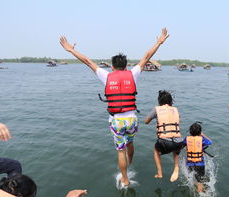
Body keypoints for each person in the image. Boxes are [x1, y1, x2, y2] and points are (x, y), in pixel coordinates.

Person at [60, 28, 169, 187]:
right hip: (131, 119)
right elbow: (146, 57)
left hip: (117, 120)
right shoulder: (132, 74)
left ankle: (125, 178)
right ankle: (129, 165)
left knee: (120, 150)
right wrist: (159, 42)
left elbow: (87, 61)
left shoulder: (106, 76)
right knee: (130, 145)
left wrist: (71, 50)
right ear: (125, 66)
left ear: (112, 66)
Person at [144, 90, 183, 182]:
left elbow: (146, 121)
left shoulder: (156, 109)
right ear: (170, 101)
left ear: (159, 101)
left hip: (165, 142)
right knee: (176, 148)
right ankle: (176, 167)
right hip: (179, 142)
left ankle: (159, 173)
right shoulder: (175, 110)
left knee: (156, 150)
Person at [182, 122, 212, 193]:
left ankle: (194, 187)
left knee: (190, 177)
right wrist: (202, 134)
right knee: (200, 182)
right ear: (200, 132)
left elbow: (181, 146)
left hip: (190, 163)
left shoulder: (187, 139)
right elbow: (210, 142)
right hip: (200, 164)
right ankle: (201, 195)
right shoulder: (202, 139)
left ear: (190, 132)